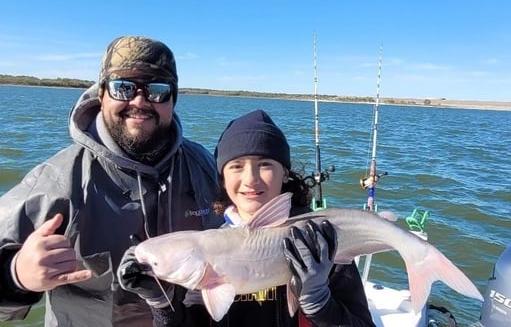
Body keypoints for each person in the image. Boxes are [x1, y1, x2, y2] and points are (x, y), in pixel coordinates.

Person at [0, 35, 224, 326]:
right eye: (123, 87)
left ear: (173, 100)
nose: (140, 101)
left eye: (158, 90)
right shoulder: (58, 180)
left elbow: (247, 221)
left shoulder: (201, 165)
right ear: (101, 95)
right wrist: (16, 275)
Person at [118, 109, 376, 326]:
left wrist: (320, 304)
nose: (250, 179)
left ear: (285, 173)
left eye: (265, 164)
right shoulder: (207, 250)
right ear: (223, 176)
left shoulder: (320, 242)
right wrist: (161, 302)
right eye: (236, 166)